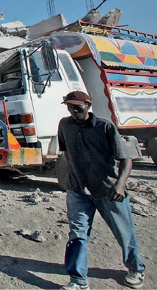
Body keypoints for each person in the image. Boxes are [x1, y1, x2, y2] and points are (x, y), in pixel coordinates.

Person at [57, 91, 146, 290]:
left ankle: (136, 269)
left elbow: (126, 158)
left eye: (77, 106)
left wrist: (120, 185)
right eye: (70, 106)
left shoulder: (105, 127)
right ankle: (78, 280)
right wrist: (73, 178)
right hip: (78, 191)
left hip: (107, 191)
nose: (73, 110)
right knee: (77, 234)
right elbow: (66, 154)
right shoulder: (65, 125)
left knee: (124, 233)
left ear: (88, 104)